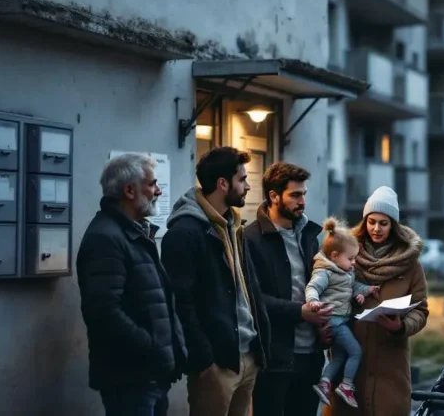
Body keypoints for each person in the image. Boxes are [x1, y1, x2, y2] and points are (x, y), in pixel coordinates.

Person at [160, 147, 270, 416]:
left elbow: (248, 289)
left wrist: (258, 348)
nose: (248, 186)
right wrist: (203, 357)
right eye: (242, 179)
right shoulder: (185, 232)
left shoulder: (234, 226)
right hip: (216, 364)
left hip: (246, 356)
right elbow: (179, 300)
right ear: (222, 184)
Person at [77, 153, 187, 416]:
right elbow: (103, 312)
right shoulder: (106, 238)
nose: (158, 191)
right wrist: (152, 347)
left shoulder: (133, 233)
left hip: (150, 375)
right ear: (129, 190)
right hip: (131, 379)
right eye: (152, 184)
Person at [324, 185, 429, 416]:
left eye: (383, 223)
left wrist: (401, 326)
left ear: (393, 225)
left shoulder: (410, 265)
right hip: (350, 360)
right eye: (371, 222)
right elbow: (329, 291)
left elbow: (421, 311)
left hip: (390, 364)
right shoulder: (347, 257)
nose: (376, 229)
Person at [246, 162, 330, 416]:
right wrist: (299, 312)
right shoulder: (251, 239)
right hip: (274, 358)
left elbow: (319, 284)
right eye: (295, 195)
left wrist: (324, 324)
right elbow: (252, 299)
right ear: (274, 196)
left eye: (304, 194)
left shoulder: (308, 235)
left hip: (311, 356)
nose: (302, 201)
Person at [307, 217, 380, 408]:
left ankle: (324, 383)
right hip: (334, 321)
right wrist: (313, 301)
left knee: (339, 357)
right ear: (334, 256)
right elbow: (313, 287)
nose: (354, 263)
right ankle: (346, 385)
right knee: (356, 352)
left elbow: (354, 286)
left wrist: (366, 291)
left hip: (341, 320)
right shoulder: (325, 272)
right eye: (350, 259)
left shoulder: (345, 272)